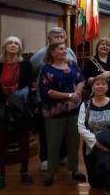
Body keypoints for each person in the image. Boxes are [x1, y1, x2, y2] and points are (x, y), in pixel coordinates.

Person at [39, 42, 86, 186]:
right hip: (54, 111)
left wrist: (77, 93)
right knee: (53, 143)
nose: (64, 50)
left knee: (74, 142)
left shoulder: (72, 65)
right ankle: (51, 173)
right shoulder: (46, 69)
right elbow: (47, 92)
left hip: (73, 109)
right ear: (52, 52)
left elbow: (81, 80)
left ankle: (74, 170)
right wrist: (69, 95)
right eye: (61, 49)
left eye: (65, 48)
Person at [29, 27, 76, 172]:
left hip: (67, 99)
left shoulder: (70, 52)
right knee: (47, 131)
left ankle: (63, 155)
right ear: (49, 39)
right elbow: (31, 73)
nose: (59, 39)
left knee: (65, 129)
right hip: (48, 100)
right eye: (56, 37)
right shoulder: (39, 55)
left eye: (62, 36)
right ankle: (45, 158)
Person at [0, 36, 33, 190]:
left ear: (20, 48)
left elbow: (28, 85)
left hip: (20, 106)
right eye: (10, 43)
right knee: (0, 142)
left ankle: (24, 172)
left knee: (23, 141)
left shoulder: (26, 65)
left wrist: (14, 99)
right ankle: (0, 175)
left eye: (16, 43)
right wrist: (5, 99)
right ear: (4, 47)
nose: (13, 45)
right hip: (2, 105)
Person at [78, 75, 110, 191]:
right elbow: (81, 127)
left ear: (107, 87)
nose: (100, 86)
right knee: (96, 185)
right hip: (91, 144)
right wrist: (96, 142)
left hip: (109, 143)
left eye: (103, 84)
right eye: (97, 84)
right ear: (92, 87)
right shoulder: (85, 105)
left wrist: (108, 139)